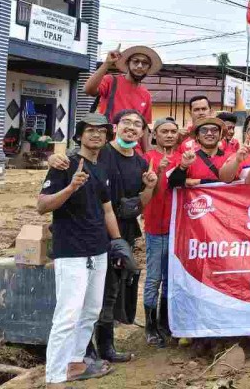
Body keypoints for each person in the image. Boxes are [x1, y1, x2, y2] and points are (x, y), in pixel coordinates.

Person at [48, 109, 156, 364]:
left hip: (121, 232)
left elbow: (140, 204)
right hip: (89, 231)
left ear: (142, 132)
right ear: (115, 129)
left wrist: (150, 187)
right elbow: (70, 160)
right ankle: (83, 353)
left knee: (109, 292)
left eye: (137, 124)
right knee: (81, 298)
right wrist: (54, 157)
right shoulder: (101, 152)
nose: (131, 127)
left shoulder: (141, 163)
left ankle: (105, 346)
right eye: (126, 122)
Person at [39, 113, 136, 387]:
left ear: (106, 137)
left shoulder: (100, 168)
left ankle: (75, 361)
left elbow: (106, 208)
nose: (96, 135)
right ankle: (55, 374)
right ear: (79, 135)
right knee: (68, 313)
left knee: (91, 311)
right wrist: (70, 187)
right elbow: (42, 205)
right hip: (71, 250)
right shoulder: (65, 164)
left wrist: (118, 242)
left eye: (101, 131)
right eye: (90, 130)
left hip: (98, 250)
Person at [142, 117, 181, 347]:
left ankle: (166, 322)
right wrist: (159, 170)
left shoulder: (182, 158)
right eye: (164, 131)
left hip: (179, 229)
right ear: (154, 134)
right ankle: (149, 325)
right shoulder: (147, 159)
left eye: (173, 131)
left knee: (170, 279)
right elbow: (149, 193)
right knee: (154, 278)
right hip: (155, 227)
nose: (168, 135)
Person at [84, 45, 161, 128]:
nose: (140, 66)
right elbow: (88, 90)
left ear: (148, 68)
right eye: (136, 61)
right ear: (128, 63)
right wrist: (107, 63)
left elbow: (144, 126)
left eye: (145, 63)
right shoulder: (110, 81)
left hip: (132, 140)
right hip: (109, 138)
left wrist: (146, 141)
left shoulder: (146, 95)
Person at [169, 117, 229, 187]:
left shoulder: (232, 158)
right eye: (204, 130)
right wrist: (183, 167)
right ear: (197, 136)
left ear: (220, 135)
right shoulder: (187, 158)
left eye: (214, 130)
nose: (209, 133)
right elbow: (173, 184)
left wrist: (198, 182)